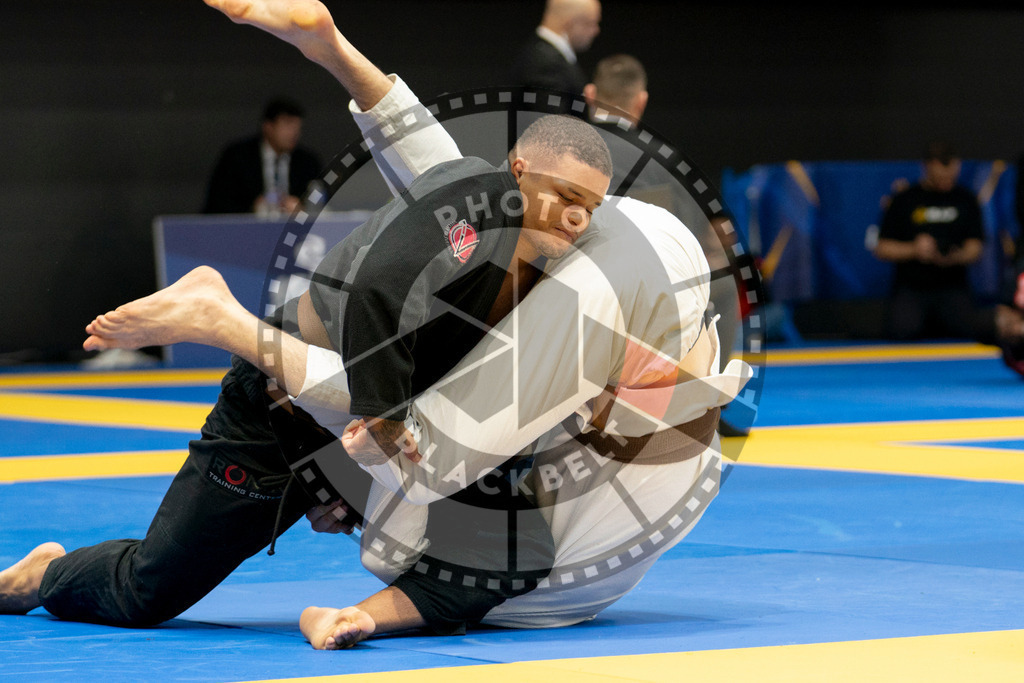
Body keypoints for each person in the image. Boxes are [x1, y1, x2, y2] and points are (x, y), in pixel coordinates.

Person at [0, 0, 750, 650]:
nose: (571, 218)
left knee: (502, 548)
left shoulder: (558, 276)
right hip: (281, 408)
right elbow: (382, 297)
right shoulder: (469, 210)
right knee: (149, 589)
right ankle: (49, 568)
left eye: (586, 208)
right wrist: (378, 417)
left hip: (356, 420)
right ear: (518, 173)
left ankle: (366, 596)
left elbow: (411, 135)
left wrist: (329, 45)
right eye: (557, 196)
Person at [872, 141, 996, 342]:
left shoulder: (965, 199)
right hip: (912, 287)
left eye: (951, 176)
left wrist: (955, 256)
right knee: (901, 332)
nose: (946, 181)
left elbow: (976, 247)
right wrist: (914, 249)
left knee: (972, 334)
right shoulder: (904, 199)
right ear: (926, 167)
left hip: (953, 286)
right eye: (940, 177)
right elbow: (882, 248)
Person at [202, 96, 323, 216]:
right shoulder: (237, 157)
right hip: (246, 230)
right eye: (287, 125)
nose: (294, 133)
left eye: (297, 127)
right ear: (268, 127)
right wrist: (252, 208)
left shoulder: (308, 162)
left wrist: (301, 208)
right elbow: (217, 204)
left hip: (292, 231)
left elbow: (321, 203)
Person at [508, 0, 601, 97]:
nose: (596, 31)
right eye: (591, 23)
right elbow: (551, 111)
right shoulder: (546, 64)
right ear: (571, 22)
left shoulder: (541, 54)